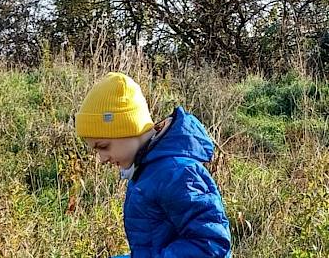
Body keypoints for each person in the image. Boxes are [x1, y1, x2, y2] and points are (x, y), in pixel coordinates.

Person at [74, 72, 231, 257]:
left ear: (128, 129)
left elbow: (211, 246)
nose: (102, 158)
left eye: (103, 146)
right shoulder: (146, 168)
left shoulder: (176, 173)